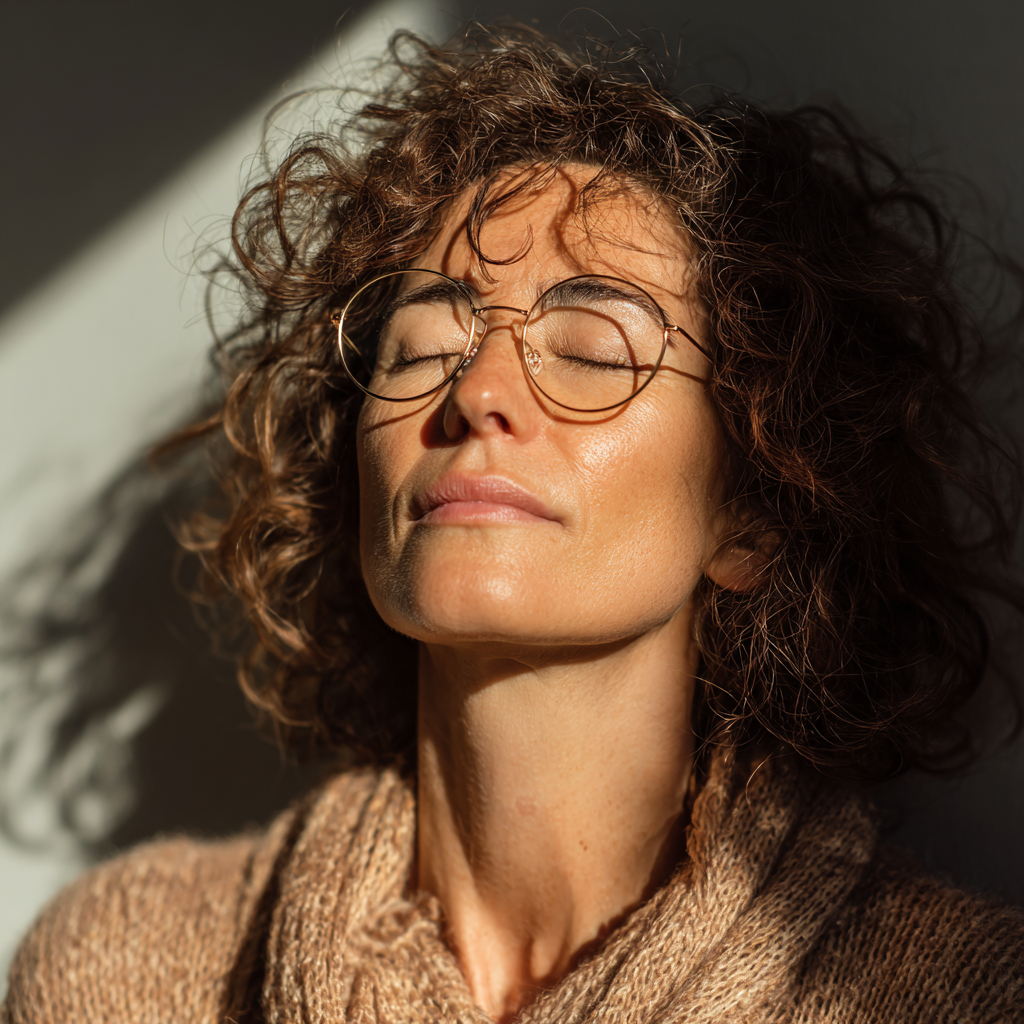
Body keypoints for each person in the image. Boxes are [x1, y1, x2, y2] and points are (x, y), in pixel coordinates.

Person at [3, 25, 1023, 1024]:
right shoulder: (127, 967)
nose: (477, 390)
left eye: (587, 349)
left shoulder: (955, 997)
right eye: (418, 348)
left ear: (755, 509)